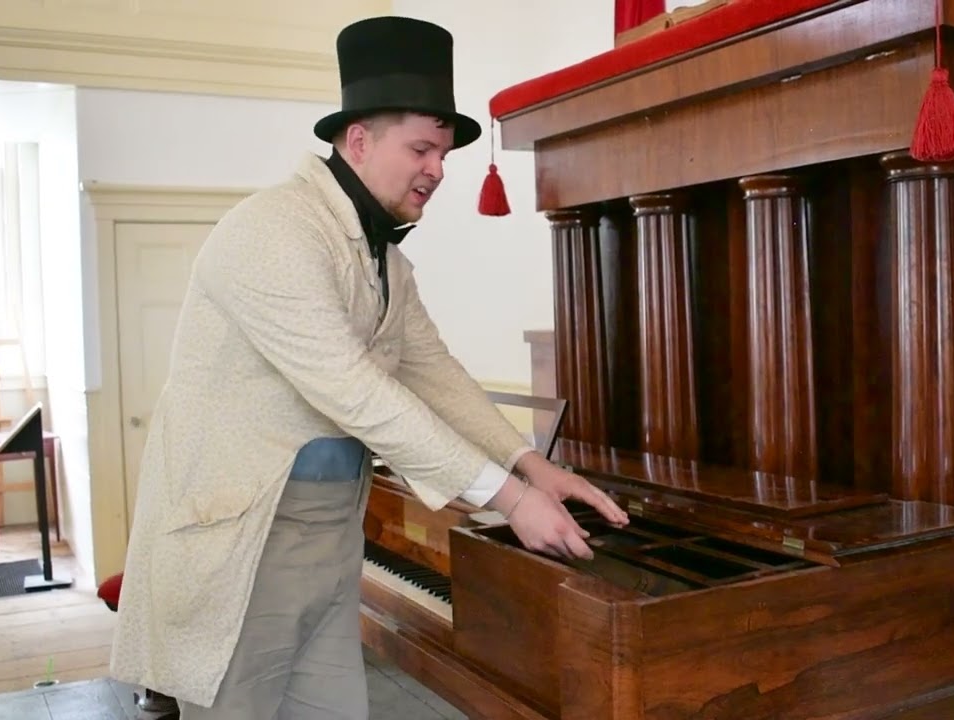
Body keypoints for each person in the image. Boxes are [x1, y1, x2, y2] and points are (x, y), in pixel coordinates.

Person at [108, 15, 629, 719]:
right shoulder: (271, 232)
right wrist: (508, 499)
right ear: (358, 140)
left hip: (330, 536)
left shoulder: (387, 257)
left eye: (443, 154)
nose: (437, 171)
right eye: (422, 149)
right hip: (245, 539)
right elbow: (356, 391)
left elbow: (434, 371)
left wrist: (533, 466)